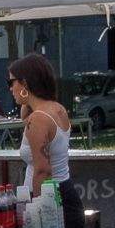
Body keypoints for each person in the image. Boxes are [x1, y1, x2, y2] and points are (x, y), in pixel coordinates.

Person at [7, 53, 72, 194]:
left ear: (24, 83)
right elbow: (25, 119)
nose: (10, 88)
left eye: (11, 82)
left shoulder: (37, 119)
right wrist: (27, 99)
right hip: (65, 189)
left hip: (48, 196)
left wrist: (37, 207)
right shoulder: (57, 108)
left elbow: (43, 171)